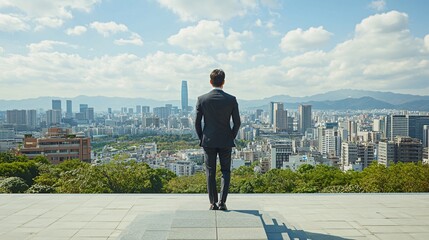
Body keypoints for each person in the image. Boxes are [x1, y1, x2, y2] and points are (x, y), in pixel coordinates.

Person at [195, 69, 241, 211]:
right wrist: (230, 136)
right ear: (223, 82)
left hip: (208, 140)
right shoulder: (231, 99)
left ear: (210, 82)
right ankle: (222, 202)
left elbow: (197, 123)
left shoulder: (202, 99)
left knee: (210, 171)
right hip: (225, 140)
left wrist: (202, 138)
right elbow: (237, 123)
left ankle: (212, 203)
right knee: (225, 171)